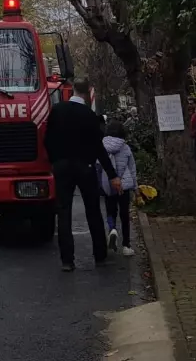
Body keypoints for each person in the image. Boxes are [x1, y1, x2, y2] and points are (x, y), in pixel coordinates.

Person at [43, 79, 121, 271]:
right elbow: (98, 147)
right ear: (87, 93)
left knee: (64, 212)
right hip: (85, 166)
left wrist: (55, 161)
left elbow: (47, 139)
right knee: (93, 210)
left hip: (61, 166)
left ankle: (67, 260)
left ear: (73, 91)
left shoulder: (57, 110)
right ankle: (99, 254)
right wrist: (112, 175)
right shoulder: (90, 115)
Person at [100, 120, 138, 257]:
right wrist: (135, 187)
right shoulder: (125, 148)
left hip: (109, 184)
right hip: (124, 184)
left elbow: (98, 165)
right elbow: (132, 168)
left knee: (110, 211)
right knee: (124, 214)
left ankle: (112, 229)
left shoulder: (102, 146)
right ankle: (126, 245)